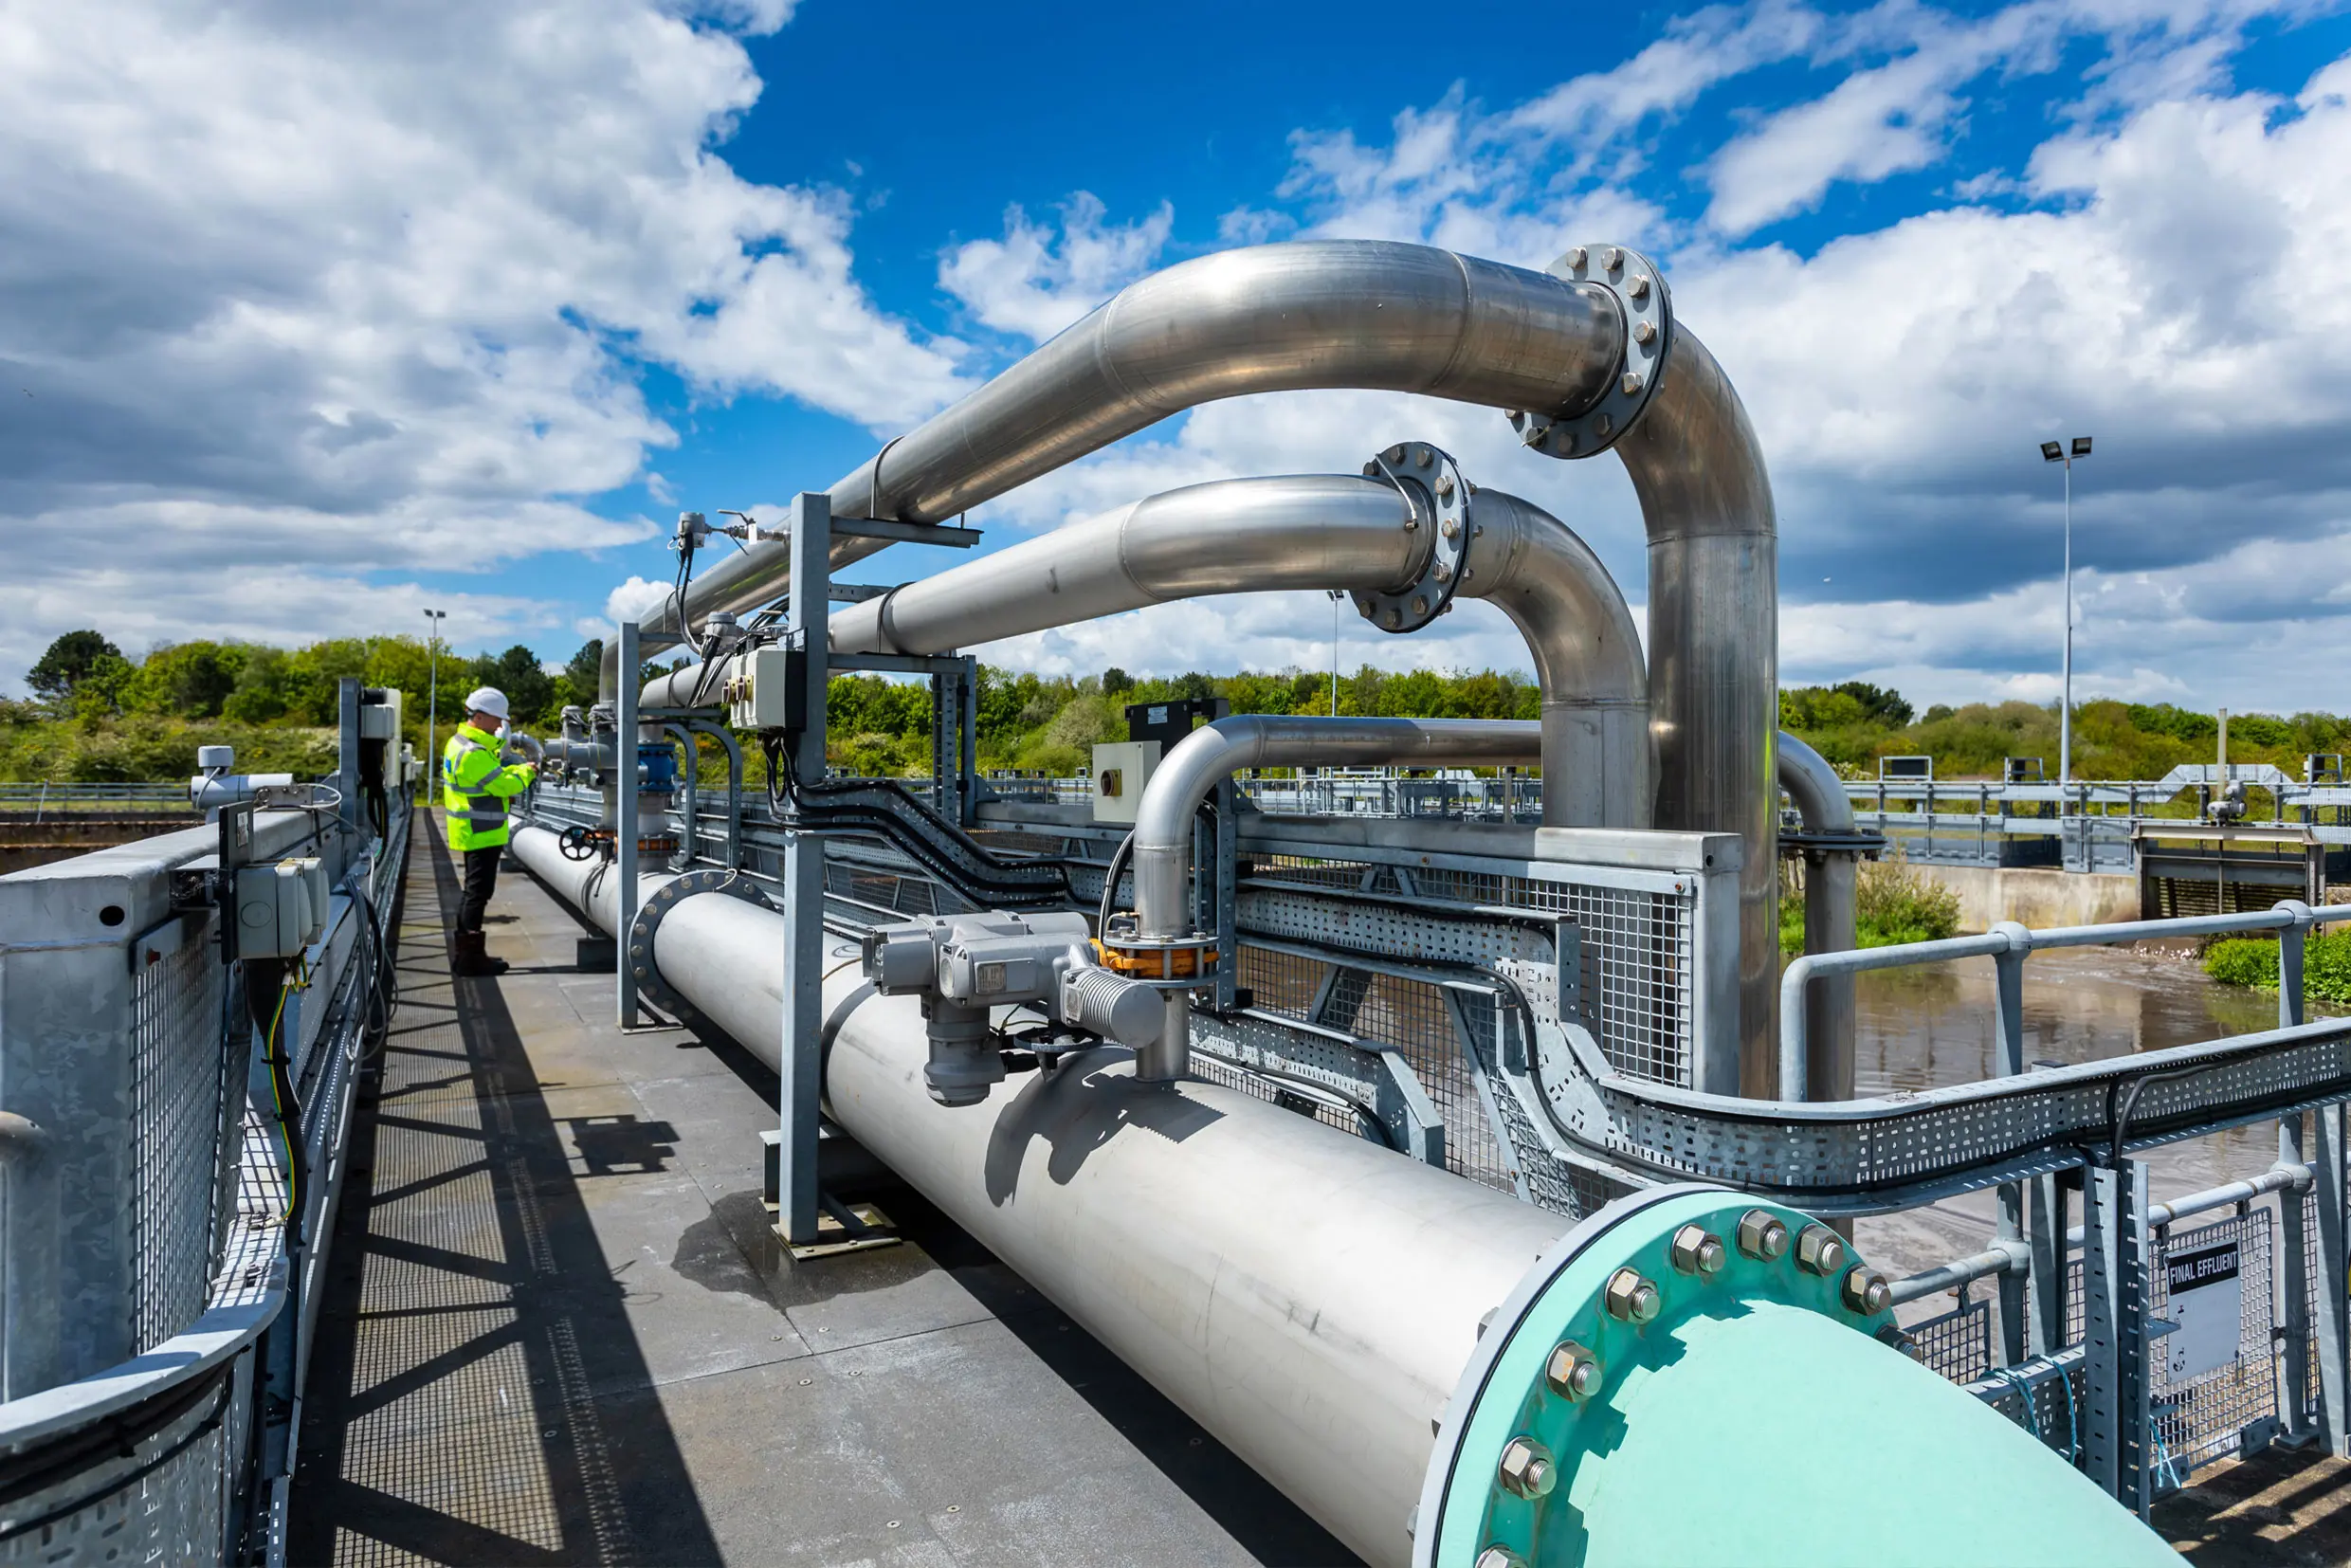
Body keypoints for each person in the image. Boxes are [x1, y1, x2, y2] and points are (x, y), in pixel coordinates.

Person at [442, 686, 537, 975]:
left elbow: (491, 777)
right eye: (497, 719)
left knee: (475, 891)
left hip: (474, 828)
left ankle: (467, 955)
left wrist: (511, 770)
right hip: (481, 829)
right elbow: (504, 786)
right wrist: (527, 772)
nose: (500, 726)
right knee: (478, 892)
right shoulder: (472, 753)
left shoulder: (460, 744)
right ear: (480, 717)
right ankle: (470, 959)